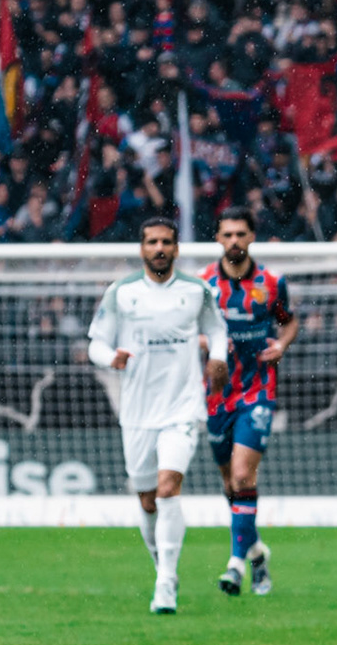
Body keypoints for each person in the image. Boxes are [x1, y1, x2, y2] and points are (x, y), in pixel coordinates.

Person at [86, 217, 229, 615]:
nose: (160, 248)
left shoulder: (196, 291)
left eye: (166, 241)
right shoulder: (123, 293)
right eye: (152, 242)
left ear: (177, 248)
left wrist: (217, 358)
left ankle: (165, 582)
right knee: (148, 500)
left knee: (168, 489)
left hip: (182, 407)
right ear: (142, 248)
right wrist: (109, 357)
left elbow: (218, 331)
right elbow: (96, 342)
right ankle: (163, 567)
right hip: (137, 413)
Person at [200, 208, 297, 597]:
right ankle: (257, 553)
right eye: (228, 234)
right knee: (231, 485)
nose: (234, 241)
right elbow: (190, 329)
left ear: (252, 236)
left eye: (241, 234)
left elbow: (288, 320)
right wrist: (206, 346)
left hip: (258, 390)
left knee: (242, 476)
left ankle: (235, 566)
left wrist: (282, 345)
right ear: (218, 239)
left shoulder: (271, 283)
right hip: (217, 393)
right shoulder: (204, 284)